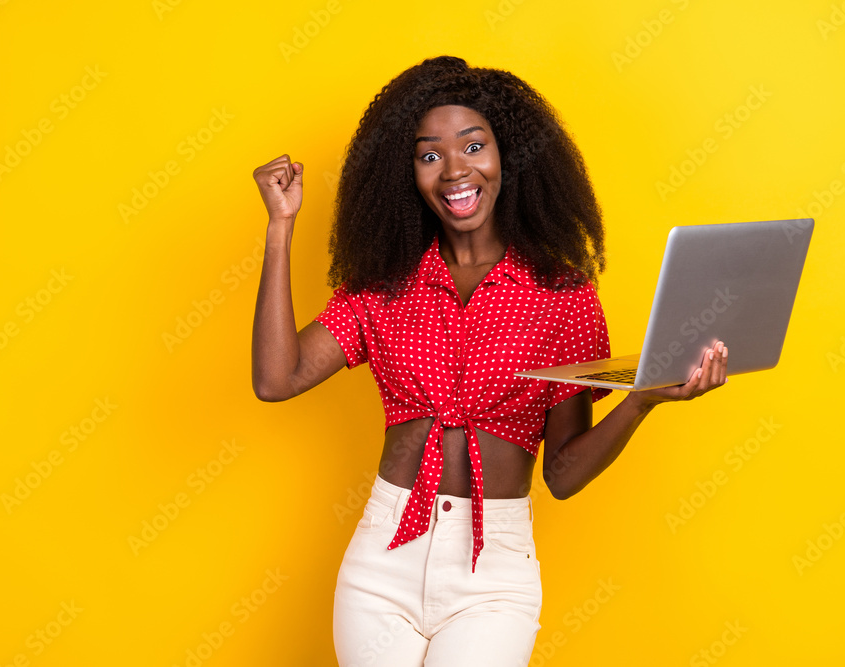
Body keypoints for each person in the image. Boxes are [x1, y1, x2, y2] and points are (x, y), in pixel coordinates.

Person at [251, 55, 728, 667]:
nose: (455, 170)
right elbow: (276, 378)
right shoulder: (385, 285)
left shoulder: (562, 295)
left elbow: (562, 474)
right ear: (408, 173)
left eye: (474, 146)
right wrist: (280, 227)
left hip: (493, 570)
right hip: (382, 561)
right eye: (430, 155)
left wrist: (642, 400)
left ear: (510, 155)